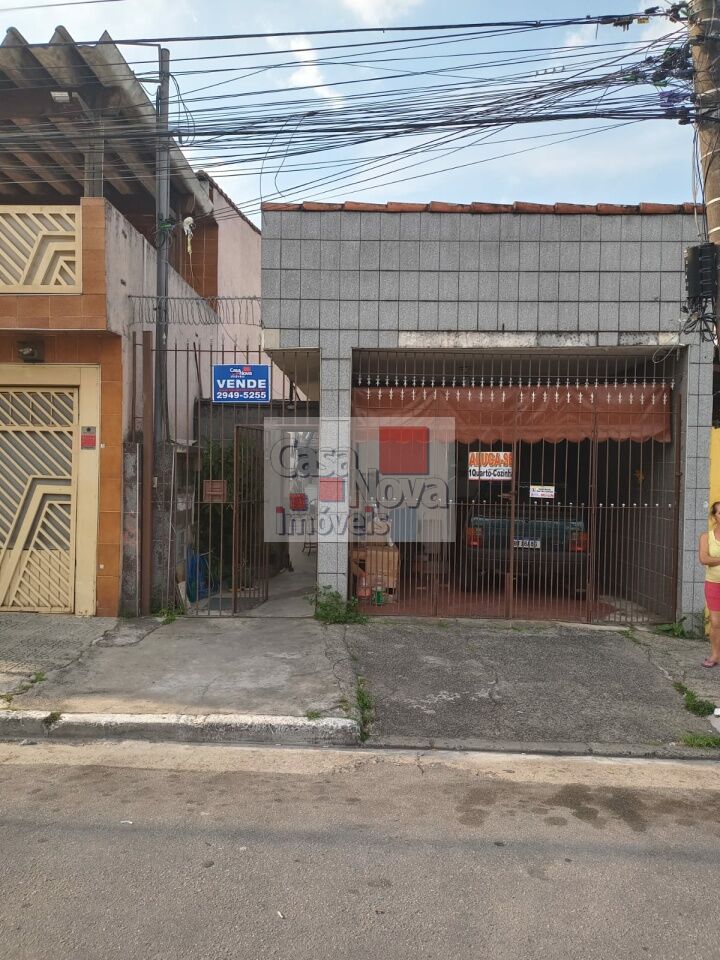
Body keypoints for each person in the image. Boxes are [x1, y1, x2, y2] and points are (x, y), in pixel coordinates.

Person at [698, 500, 720, 667]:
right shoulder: (707, 537)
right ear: (715, 516)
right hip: (713, 584)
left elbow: (710, 559)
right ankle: (714, 655)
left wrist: (715, 560)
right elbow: (704, 559)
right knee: (715, 622)